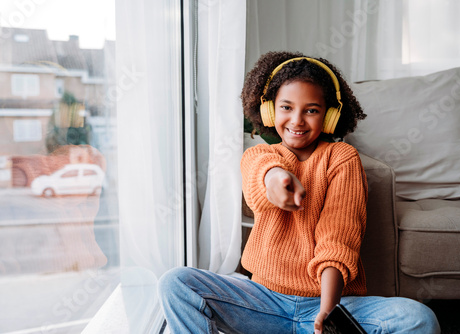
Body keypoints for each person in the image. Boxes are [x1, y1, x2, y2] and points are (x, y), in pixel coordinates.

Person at [158, 51, 441, 333]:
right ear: (269, 111)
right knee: (175, 283)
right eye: (286, 107)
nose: (297, 120)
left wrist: (327, 316)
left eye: (311, 110)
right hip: (263, 303)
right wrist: (276, 177)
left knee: (418, 318)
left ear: (329, 116)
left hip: (328, 304)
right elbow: (262, 173)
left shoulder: (342, 157)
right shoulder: (258, 155)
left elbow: (338, 240)